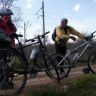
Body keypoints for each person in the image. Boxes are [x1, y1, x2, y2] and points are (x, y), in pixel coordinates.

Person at [0, 8, 17, 89]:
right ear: (4, 15)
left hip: (10, 44)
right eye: (9, 15)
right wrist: (7, 21)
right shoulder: (2, 20)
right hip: (5, 44)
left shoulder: (9, 22)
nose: (10, 16)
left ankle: (6, 82)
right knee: (5, 65)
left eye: (10, 15)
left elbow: (14, 29)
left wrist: (10, 23)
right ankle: (3, 83)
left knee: (8, 64)